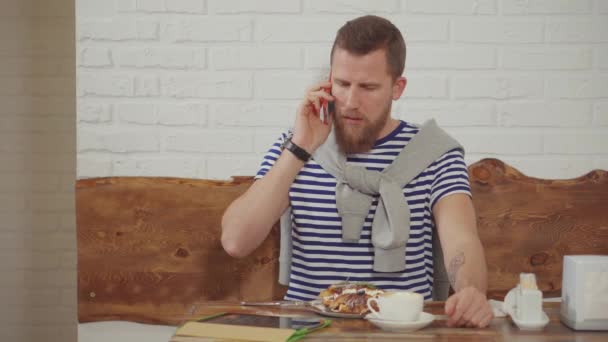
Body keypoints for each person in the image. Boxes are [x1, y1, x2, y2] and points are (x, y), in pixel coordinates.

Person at [221, 15, 493, 328]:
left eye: (368, 87)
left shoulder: (435, 153)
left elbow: (461, 239)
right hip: (309, 332)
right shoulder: (296, 145)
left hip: (403, 333)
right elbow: (236, 241)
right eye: (342, 84)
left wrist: (471, 290)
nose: (351, 101)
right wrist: (300, 149)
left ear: (397, 87)